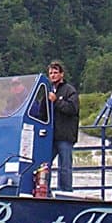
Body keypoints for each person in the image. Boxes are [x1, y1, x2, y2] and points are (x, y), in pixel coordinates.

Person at [46, 61, 79, 193]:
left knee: (64, 167)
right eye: (50, 73)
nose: (53, 75)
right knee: (44, 165)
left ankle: (65, 192)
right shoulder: (47, 89)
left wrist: (57, 101)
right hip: (50, 136)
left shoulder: (69, 90)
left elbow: (72, 109)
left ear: (61, 74)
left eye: (55, 73)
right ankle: (44, 191)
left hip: (65, 136)